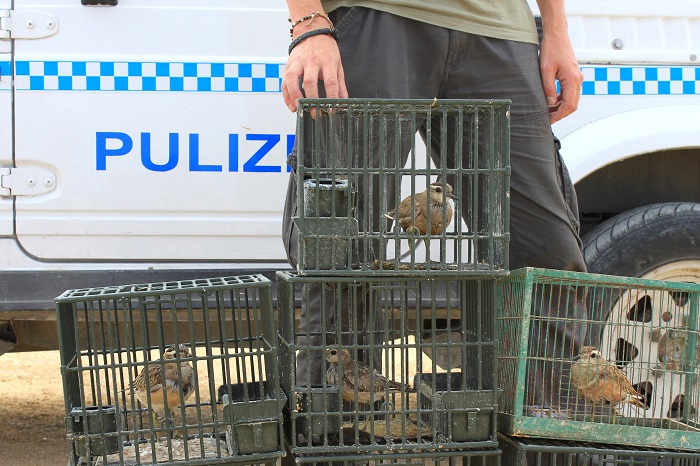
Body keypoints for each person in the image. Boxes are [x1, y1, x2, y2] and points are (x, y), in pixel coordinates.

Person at [280, 0, 588, 432]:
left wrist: (556, 30)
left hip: (499, 27)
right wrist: (309, 25)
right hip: (376, 18)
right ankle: (332, 438)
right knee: (340, 249)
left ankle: (552, 436)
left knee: (547, 253)